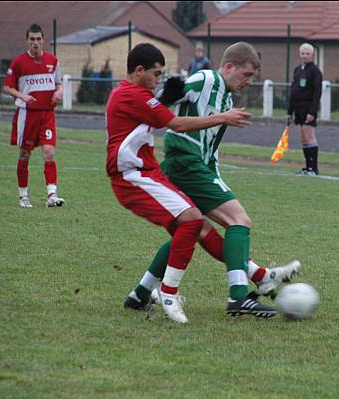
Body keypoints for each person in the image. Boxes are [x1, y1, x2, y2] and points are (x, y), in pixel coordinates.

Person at [129, 41, 301, 318]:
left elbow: (210, 146)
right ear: (229, 67)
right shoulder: (207, 78)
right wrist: (169, 93)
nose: (249, 81)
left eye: (253, 77)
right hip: (186, 162)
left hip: (194, 166)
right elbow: (168, 97)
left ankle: (140, 293)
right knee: (239, 221)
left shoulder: (227, 99)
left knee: (191, 231)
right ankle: (239, 297)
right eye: (246, 74)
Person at [106, 43, 252, 324]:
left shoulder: (136, 95)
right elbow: (176, 124)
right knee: (192, 222)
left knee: (194, 227)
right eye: (156, 74)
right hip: (132, 176)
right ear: (139, 71)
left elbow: (158, 113)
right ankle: (169, 292)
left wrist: (162, 98)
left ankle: (141, 295)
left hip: (149, 172)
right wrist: (223, 117)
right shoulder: (131, 95)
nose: (159, 80)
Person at [3, 24, 65, 208]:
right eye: (32, 39)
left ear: (43, 40)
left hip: (47, 114)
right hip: (27, 115)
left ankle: (52, 195)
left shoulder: (53, 61)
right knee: (24, 154)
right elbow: (7, 86)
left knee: (49, 152)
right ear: (27, 40)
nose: (35, 43)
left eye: (38, 39)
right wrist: (22, 96)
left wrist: (59, 92)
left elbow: (59, 83)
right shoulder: (19, 62)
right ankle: (23, 196)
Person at [287, 43, 323, 176]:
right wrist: (289, 111)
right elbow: (293, 91)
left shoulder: (315, 71)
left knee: (310, 137)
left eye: (308, 53)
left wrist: (312, 112)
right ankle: (307, 167)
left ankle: (314, 168)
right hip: (298, 109)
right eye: (303, 53)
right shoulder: (297, 70)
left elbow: (317, 93)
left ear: (312, 55)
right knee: (303, 138)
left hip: (308, 109)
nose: (305, 56)